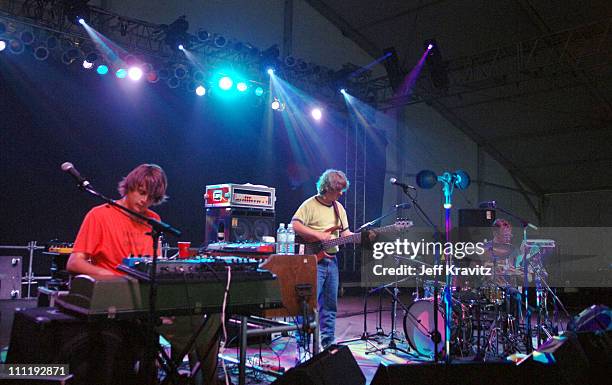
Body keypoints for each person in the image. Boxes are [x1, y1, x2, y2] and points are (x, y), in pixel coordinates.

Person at [67, 164, 221, 384]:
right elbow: (75, 262)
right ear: (129, 187)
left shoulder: (153, 219)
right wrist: (114, 277)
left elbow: (153, 264)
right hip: (120, 300)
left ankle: (200, 378)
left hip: (149, 298)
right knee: (197, 330)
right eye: (141, 192)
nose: (144, 200)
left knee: (210, 316)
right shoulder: (99, 215)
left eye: (151, 197)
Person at [291, 169, 352, 351]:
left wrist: (360, 237)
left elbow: (345, 233)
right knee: (307, 304)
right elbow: (295, 224)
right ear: (328, 187)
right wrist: (318, 235)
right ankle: (302, 344)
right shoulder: (309, 205)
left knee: (330, 305)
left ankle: (328, 343)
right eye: (339, 189)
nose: (341, 193)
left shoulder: (338, 208)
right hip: (312, 261)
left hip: (332, 261)